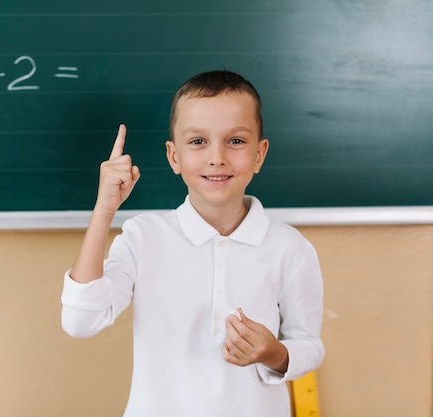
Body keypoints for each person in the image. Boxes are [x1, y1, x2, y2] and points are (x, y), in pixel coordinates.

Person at [60, 70, 324, 417]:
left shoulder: (290, 248)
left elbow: (309, 346)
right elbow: (80, 322)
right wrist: (104, 209)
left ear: (260, 154)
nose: (217, 157)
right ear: (173, 156)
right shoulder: (144, 237)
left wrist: (272, 352)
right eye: (198, 141)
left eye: (236, 141)